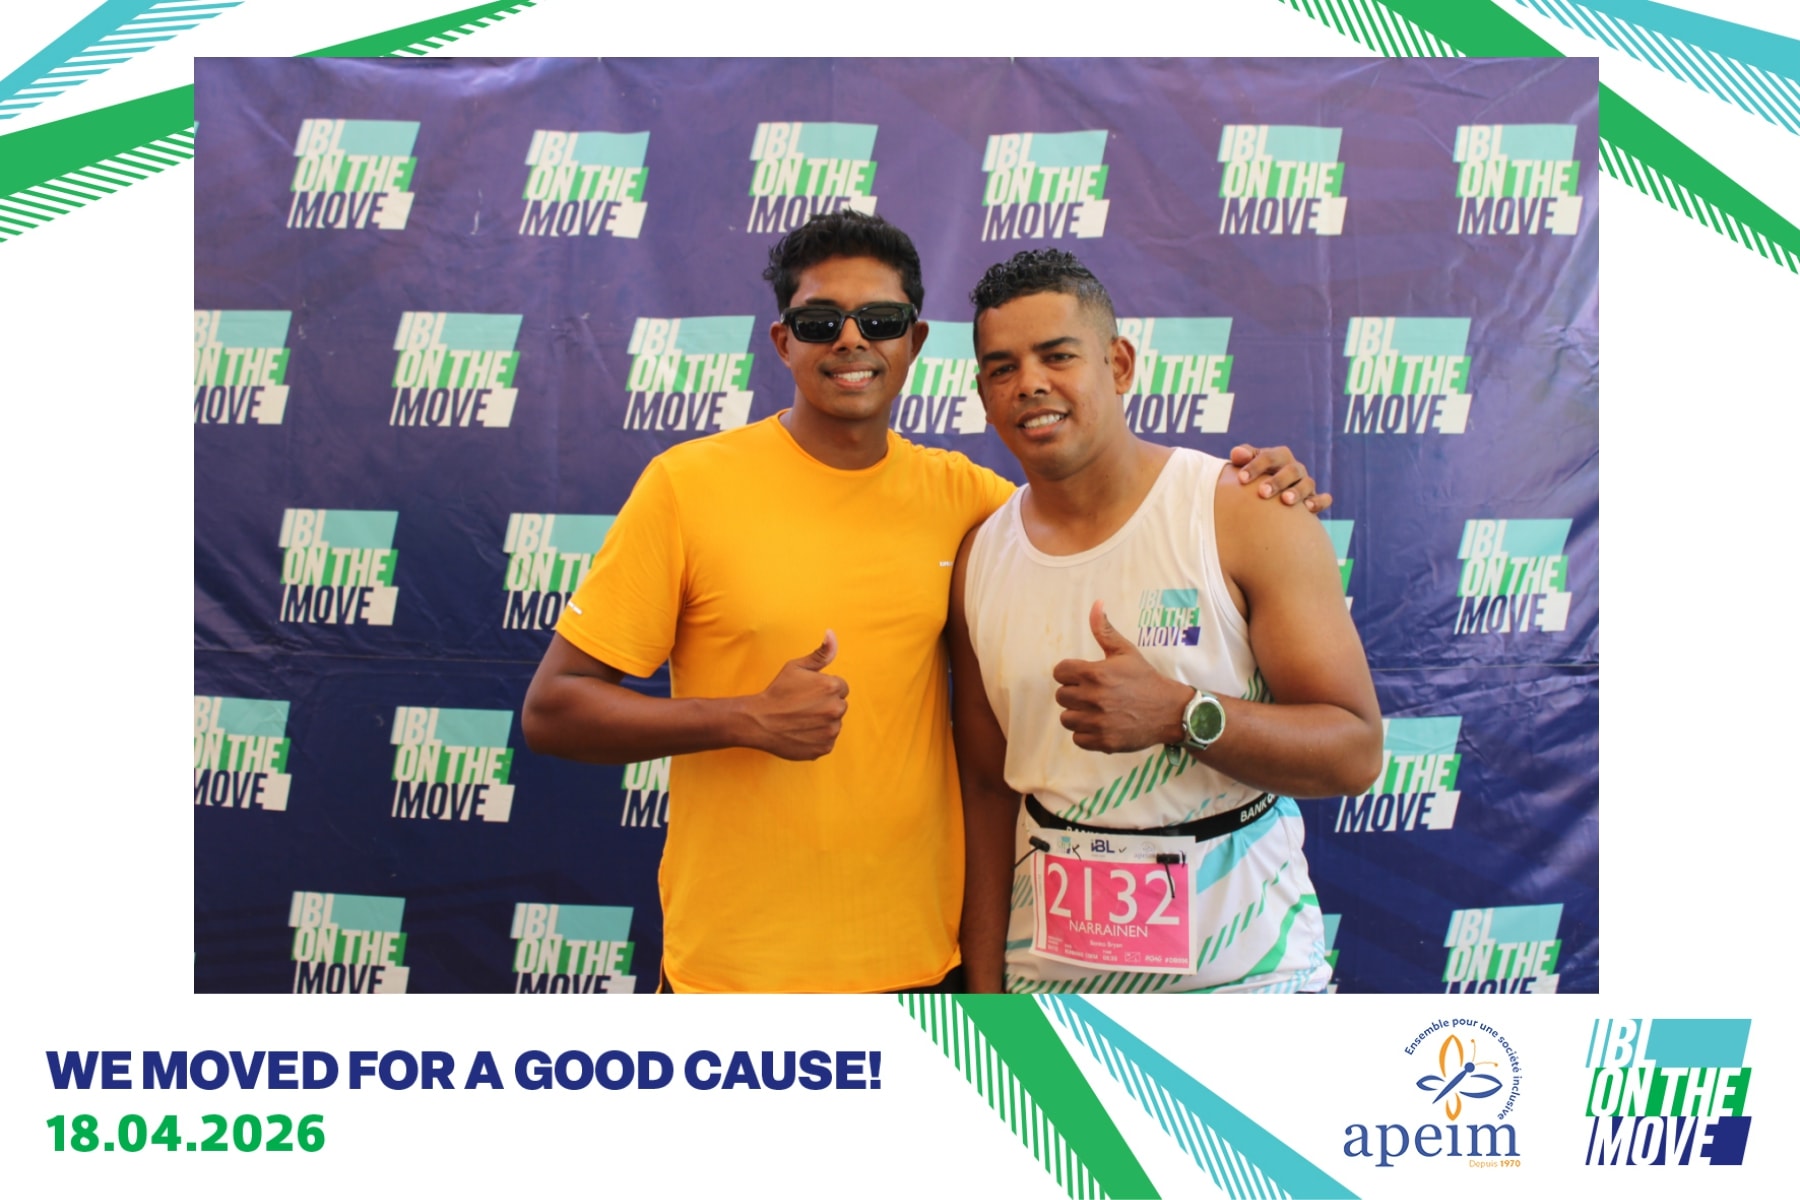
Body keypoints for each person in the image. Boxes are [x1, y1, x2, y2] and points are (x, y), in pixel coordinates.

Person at [522, 212, 1328, 993]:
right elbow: (555, 710)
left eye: (878, 320)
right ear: (782, 341)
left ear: (913, 341)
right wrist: (742, 719)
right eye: (819, 322)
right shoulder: (687, 487)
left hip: (924, 961)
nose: (850, 340)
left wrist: (1258, 489)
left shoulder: (971, 507)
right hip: (739, 969)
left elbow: (1103, 513)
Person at [951, 248, 1383, 995]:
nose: (1030, 383)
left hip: (1248, 983)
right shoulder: (980, 556)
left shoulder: (1242, 512)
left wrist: (1182, 714)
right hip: (1050, 989)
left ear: (1118, 365)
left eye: (1058, 355)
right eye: (1002, 368)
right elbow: (989, 791)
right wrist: (986, 1003)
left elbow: (1353, 752)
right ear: (985, 397)